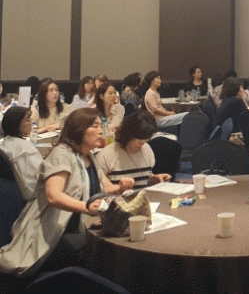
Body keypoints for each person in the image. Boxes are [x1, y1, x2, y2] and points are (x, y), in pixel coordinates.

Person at [0, 108, 133, 277]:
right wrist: (86, 207)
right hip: (54, 234)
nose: (101, 131)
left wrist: (121, 187)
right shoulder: (62, 154)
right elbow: (53, 196)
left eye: (101, 125)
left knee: (113, 245)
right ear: (79, 130)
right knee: (106, 250)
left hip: (78, 229)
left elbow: (106, 187)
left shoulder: (88, 156)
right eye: (95, 126)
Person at [96, 110, 171, 190]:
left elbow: (145, 177)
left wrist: (155, 179)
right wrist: (120, 189)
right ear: (128, 136)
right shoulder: (107, 154)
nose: (142, 145)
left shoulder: (146, 149)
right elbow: (100, 187)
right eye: (139, 142)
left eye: (146, 141)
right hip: (118, 197)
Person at [0, 107, 42, 200]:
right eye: (27, 120)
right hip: (35, 199)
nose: (31, 123)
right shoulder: (25, 150)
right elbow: (35, 183)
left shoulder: (6, 142)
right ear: (15, 124)